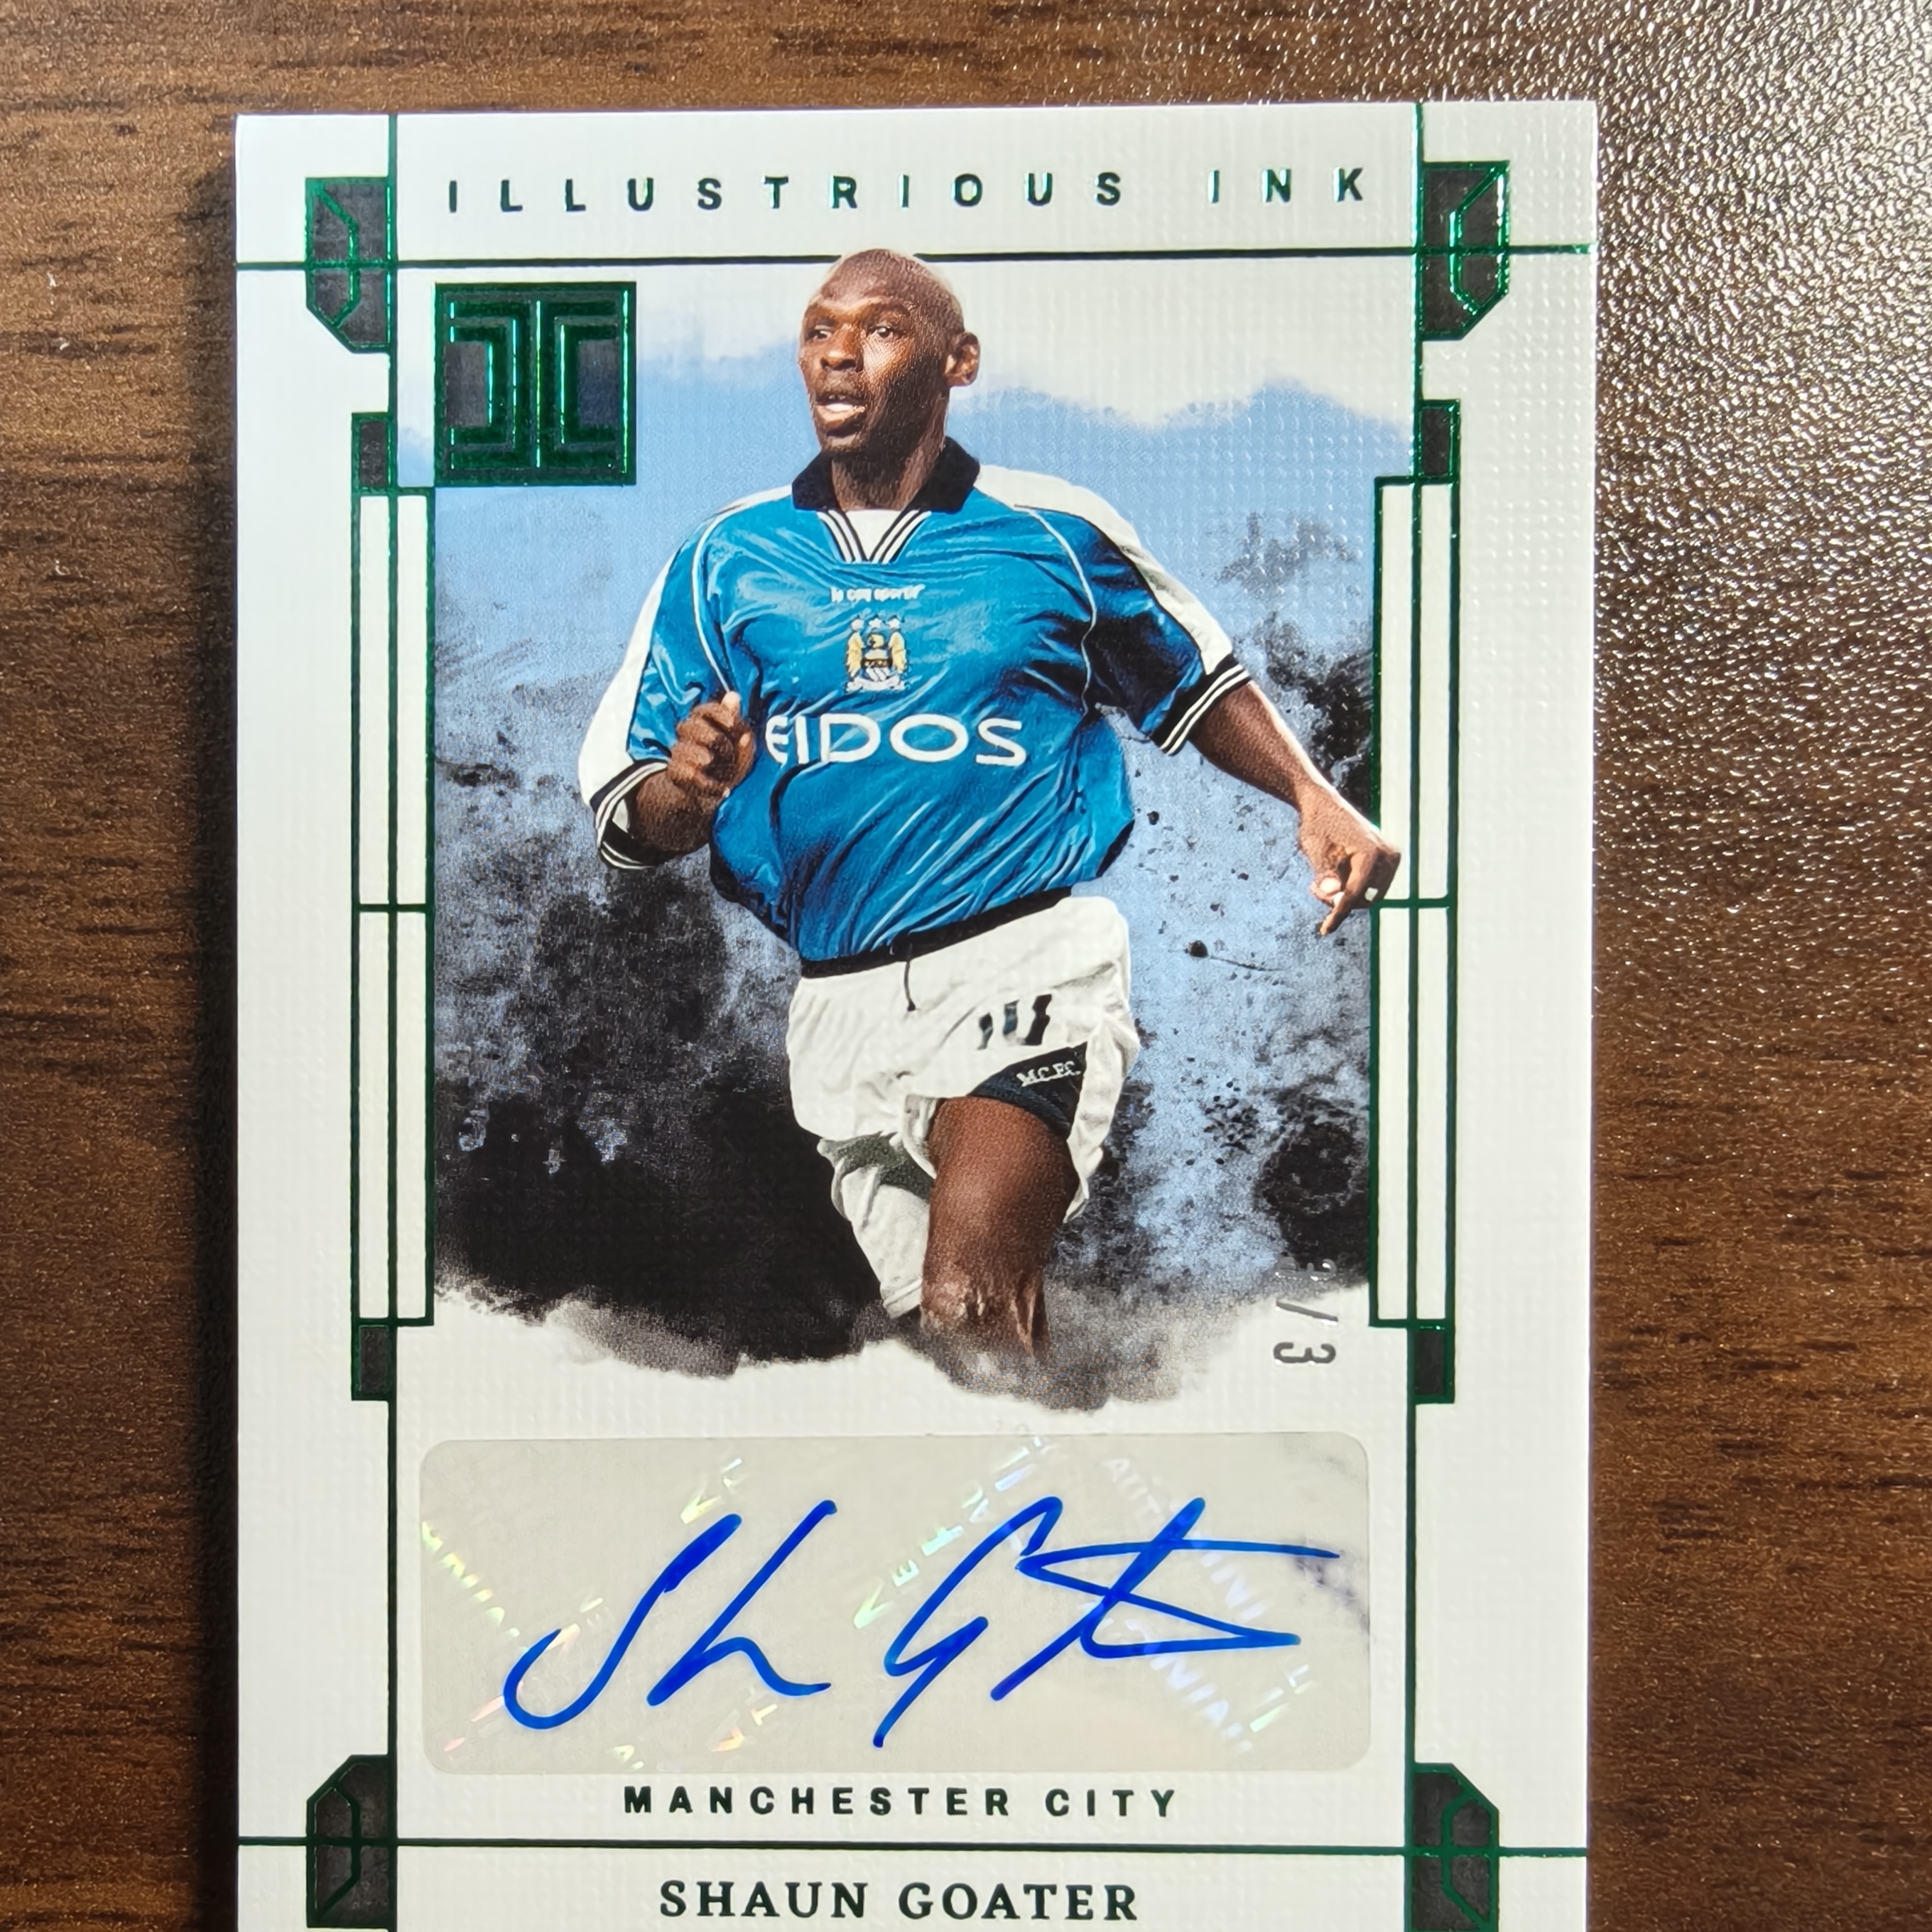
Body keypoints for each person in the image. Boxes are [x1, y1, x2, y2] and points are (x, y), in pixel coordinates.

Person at [577, 251, 1399, 1357]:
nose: (838, 354)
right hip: (839, 1009)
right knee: (965, 1352)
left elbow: (1197, 683)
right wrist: (687, 789)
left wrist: (1312, 795)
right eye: (819, 330)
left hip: (1024, 967)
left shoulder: (1054, 530)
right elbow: (631, 821)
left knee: (970, 1287)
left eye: (881, 329)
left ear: (956, 361)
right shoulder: (727, 556)